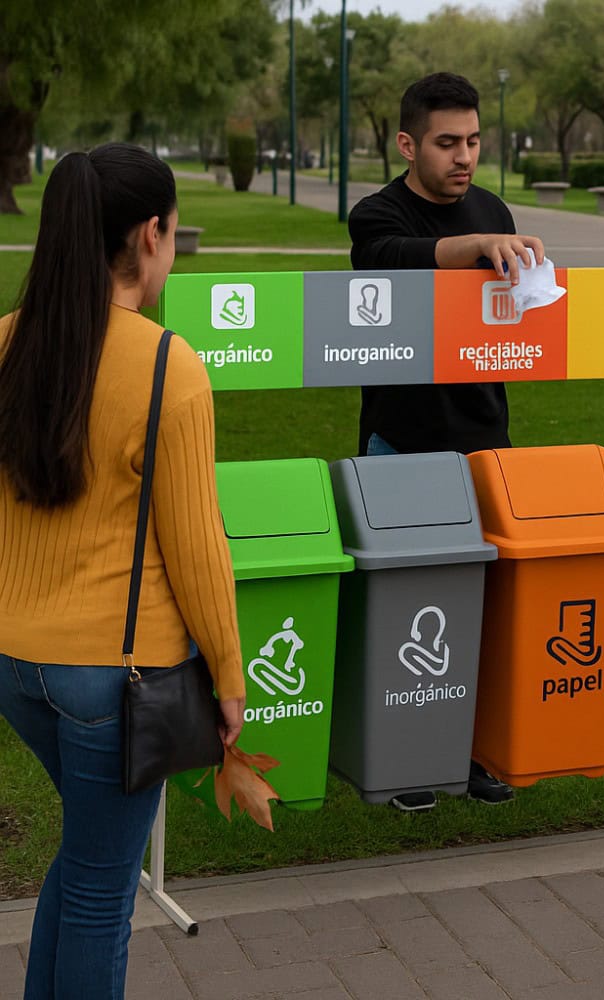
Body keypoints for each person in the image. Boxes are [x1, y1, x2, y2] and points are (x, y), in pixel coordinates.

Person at [0, 143, 245, 1000]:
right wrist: (231, 676)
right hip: (114, 677)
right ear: (151, 234)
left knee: (86, 857)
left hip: (17, 664)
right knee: (105, 888)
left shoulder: (7, 343)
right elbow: (199, 545)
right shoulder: (168, 365)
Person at [349, 71, 544, 811]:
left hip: (486, 439)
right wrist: (476, 247)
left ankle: (471, 754)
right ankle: (406, 764)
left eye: (472, 141)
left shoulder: (493, 208)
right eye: (446, 143)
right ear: (407, 143)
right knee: (406, 613)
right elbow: (389, 259)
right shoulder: (376, 214)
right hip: (401, 442)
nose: (464, 156)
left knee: (481, 610)